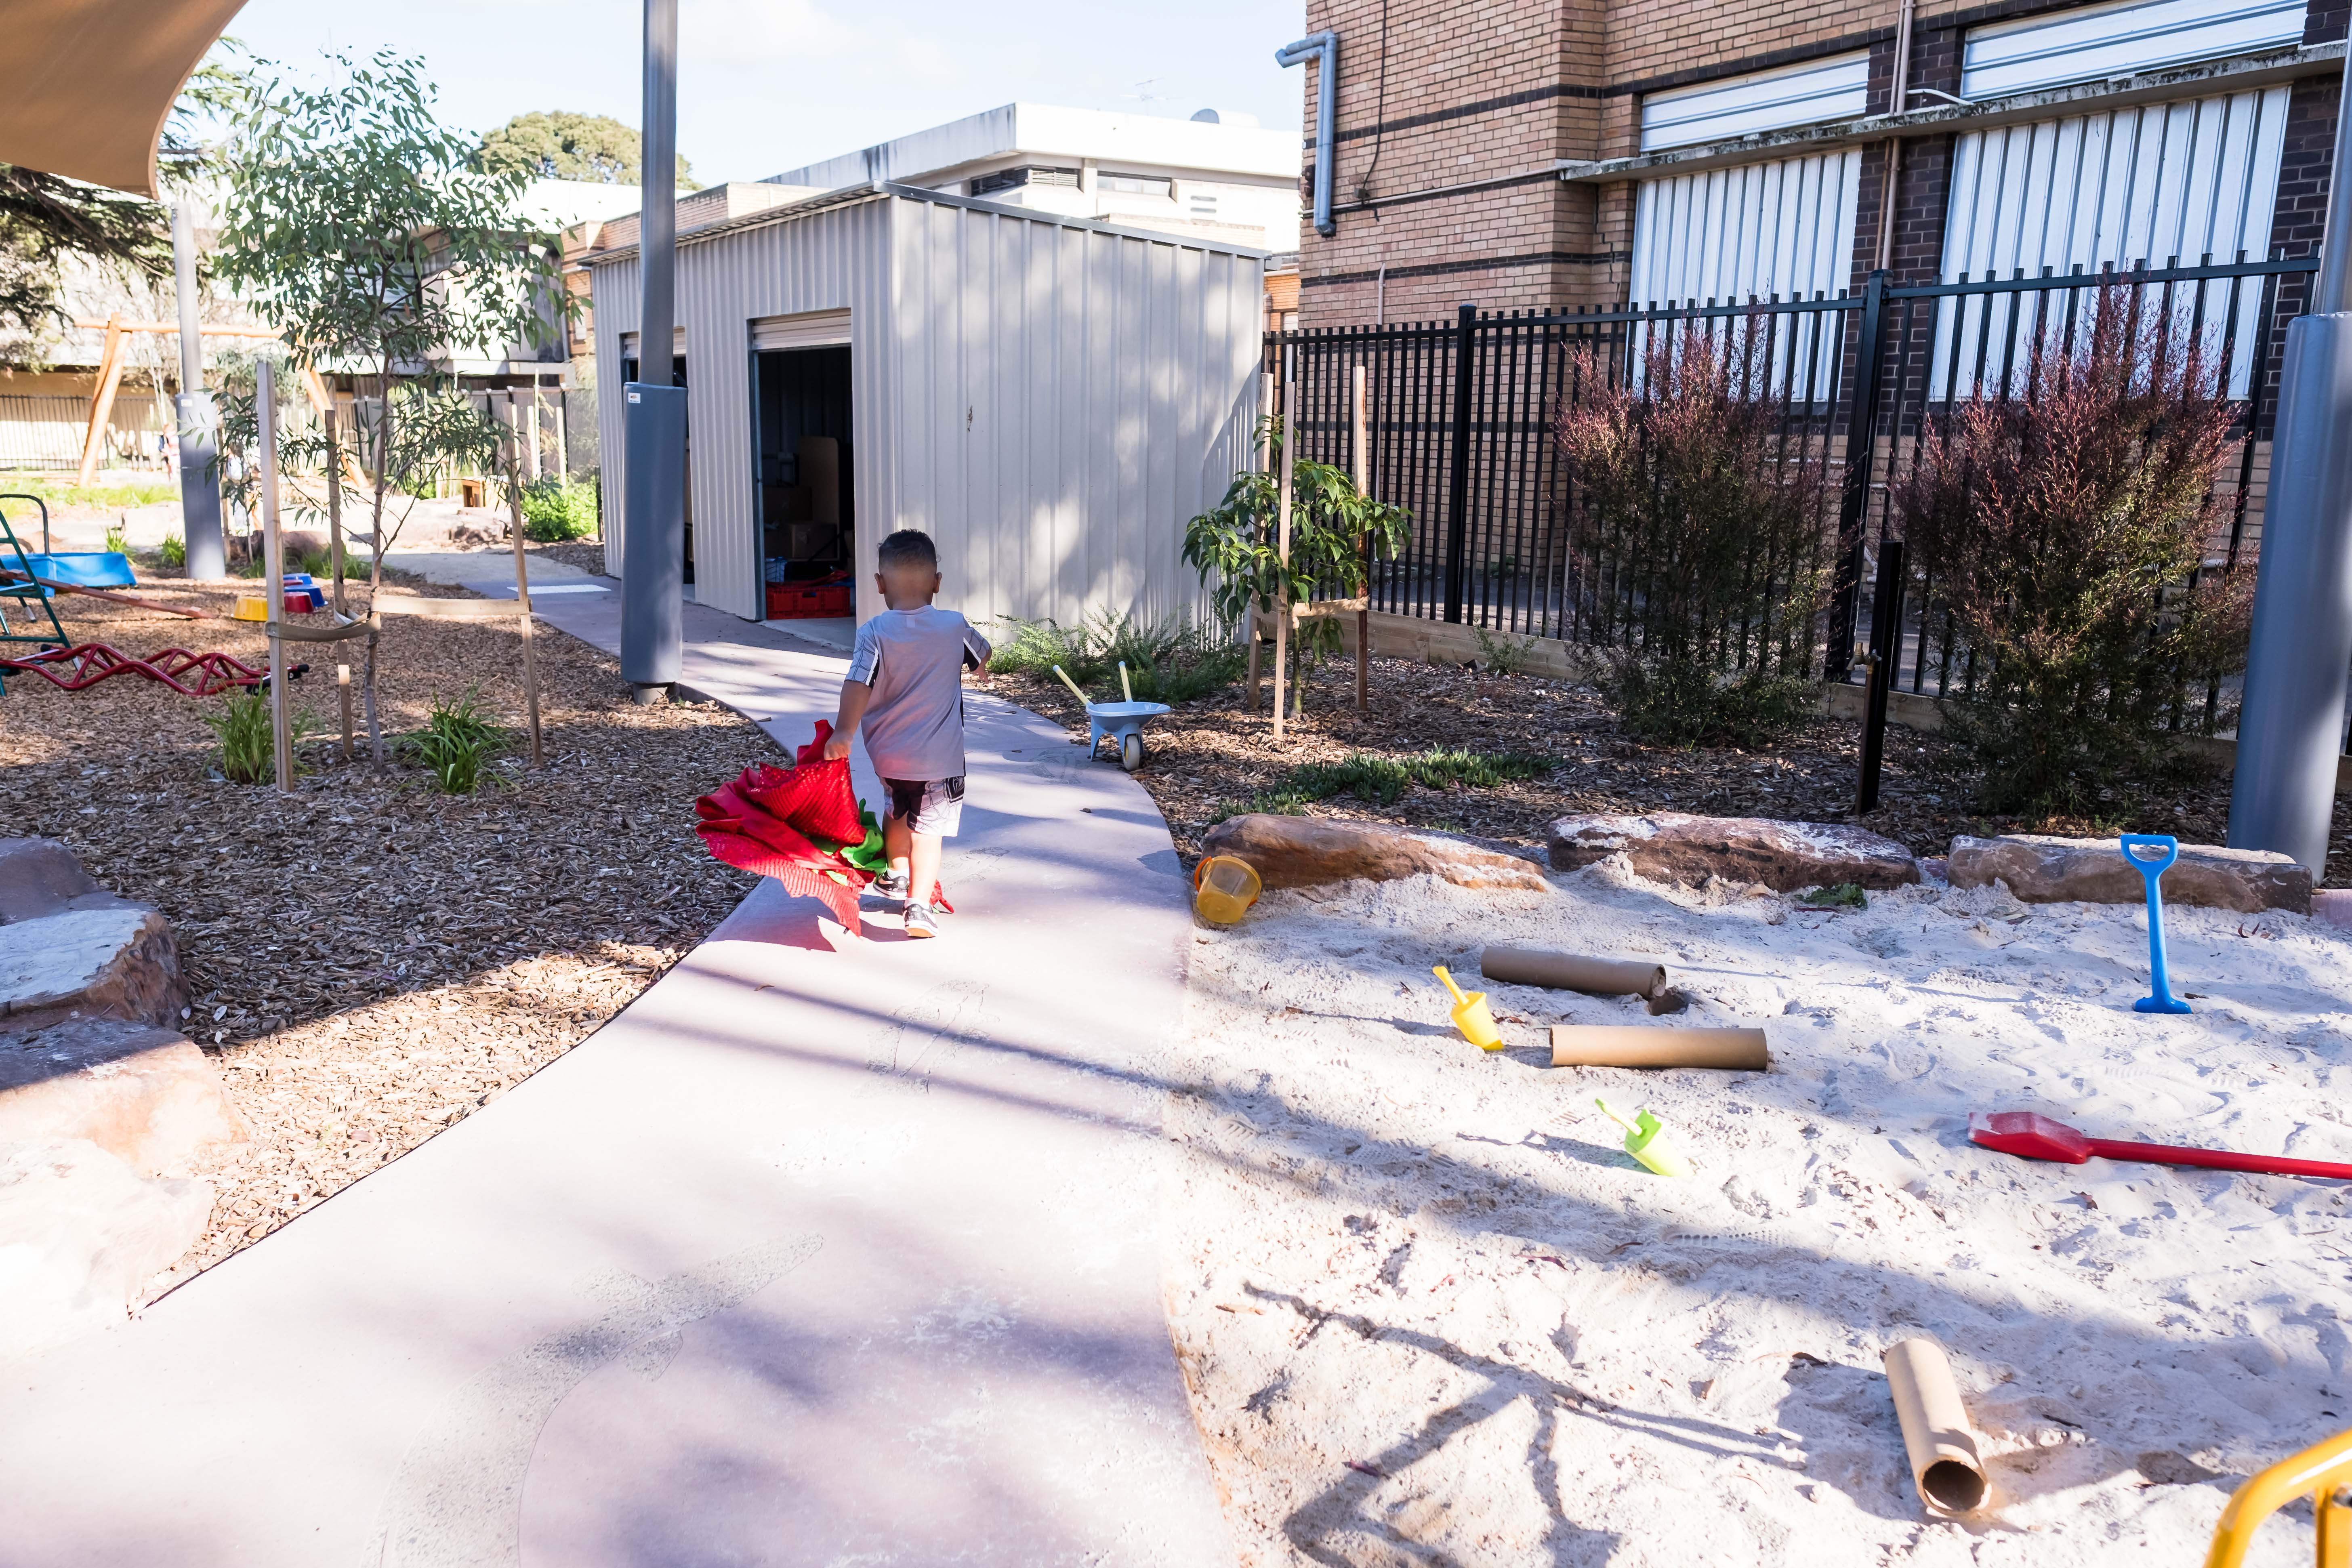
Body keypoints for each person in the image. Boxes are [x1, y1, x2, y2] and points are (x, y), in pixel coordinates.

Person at [824, 530, 990, 938]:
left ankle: (896, 873)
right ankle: (918, 905)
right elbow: (982, 652)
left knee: (897, 808)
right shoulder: (954, 626)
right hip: (940, 758)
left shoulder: (874, 632)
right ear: (938, 582)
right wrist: (980, 667)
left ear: (880, 585)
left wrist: (844, 731)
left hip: (889, 756)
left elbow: (858, 683)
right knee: (929, 832)